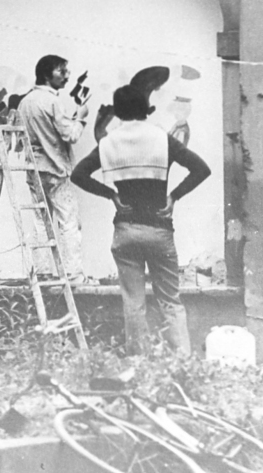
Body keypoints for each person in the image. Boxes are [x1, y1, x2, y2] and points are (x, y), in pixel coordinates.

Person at [71, 84, 211, 355]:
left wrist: (110, 194)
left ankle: (137, 362)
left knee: (133, 302)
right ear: (147, 109)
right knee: (170, 300)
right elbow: (201, 169)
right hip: (159, 230)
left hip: (125, 231)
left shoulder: (108, 142)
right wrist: (174, 196)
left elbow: (78, 175)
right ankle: (181, 360)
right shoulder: (162, 139)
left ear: (119, 111)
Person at [17, 55, 90, 283]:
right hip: (56, 170)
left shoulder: (25, 102)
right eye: (62, 71)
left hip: (33, 168)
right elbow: (71, 135)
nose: (67, 76)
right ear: (47, 74)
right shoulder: (52, 101)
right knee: (68, 221)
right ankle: (73, 274)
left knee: (41, 221)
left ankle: (42, 273)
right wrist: (81, 117)